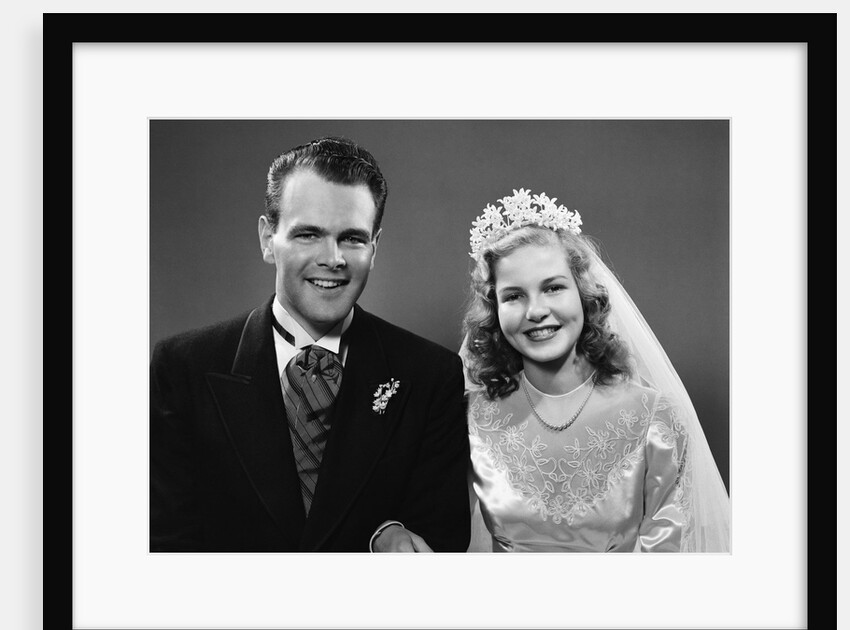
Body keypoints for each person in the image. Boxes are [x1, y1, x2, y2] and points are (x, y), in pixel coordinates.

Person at [150, 136, 471, 553]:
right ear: (268, 239)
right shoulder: (183, 367)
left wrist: (384, 534)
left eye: (352, 238)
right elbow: (166, 542)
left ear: (374, 249)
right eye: (308, 234)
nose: (332, 258)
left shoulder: (429, 375)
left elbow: (442, 539)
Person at [461, 188, 730, 552]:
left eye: (553, 288)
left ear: (584, 295)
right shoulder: (471, 418)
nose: (535, 311)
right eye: (514, 295)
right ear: (494, 309)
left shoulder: (655, 419)